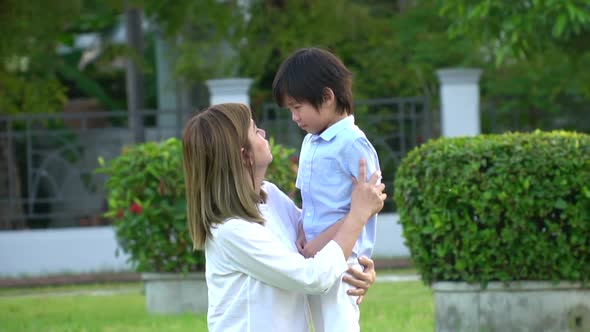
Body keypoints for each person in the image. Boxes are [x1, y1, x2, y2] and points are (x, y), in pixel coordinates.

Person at [181, 103, 386, 332]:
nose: (263, 133)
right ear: (244, 155)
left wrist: (354, 268)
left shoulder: (269, 196)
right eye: (255, 130)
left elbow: (316, 236)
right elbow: (314, 276)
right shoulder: (231, 230)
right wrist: (358, 215)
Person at [272, 47, 381, 332]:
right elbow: (307, 202)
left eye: (297, 107)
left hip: (343, 263)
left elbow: (366, 208)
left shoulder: (353, 144)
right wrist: (300, 234)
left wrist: (320, 243)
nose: (294, 117)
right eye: (290, 110)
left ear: (327, 97)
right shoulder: (311, 140)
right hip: (314, 260)